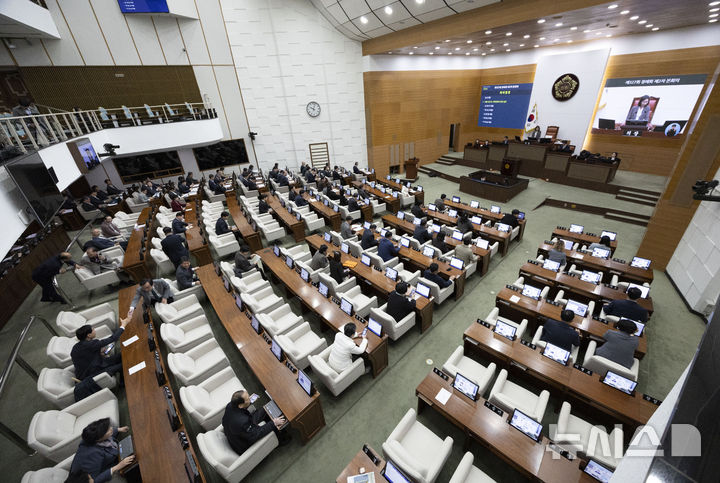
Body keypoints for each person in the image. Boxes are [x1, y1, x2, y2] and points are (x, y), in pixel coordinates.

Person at [69, 419, 135, 483]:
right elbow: (95, 480)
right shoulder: (93, 455)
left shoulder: (91, 437)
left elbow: (104, 432)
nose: (111, 428)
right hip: (96, 471)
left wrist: (118, 429)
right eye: (107, 430)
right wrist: (118, 466)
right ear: (98, 439)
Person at [222, 390, 287, 455]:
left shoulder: (230, 405)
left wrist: (249, 402)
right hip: (244, 443)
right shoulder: (243, 422)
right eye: (248, 399)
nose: (250, 399)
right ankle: (280, 440)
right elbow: (256, 434)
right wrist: (273, 423)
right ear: (241, 405)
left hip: (240, 429)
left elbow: (225, 420)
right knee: (272, 424)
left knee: (266, 409)